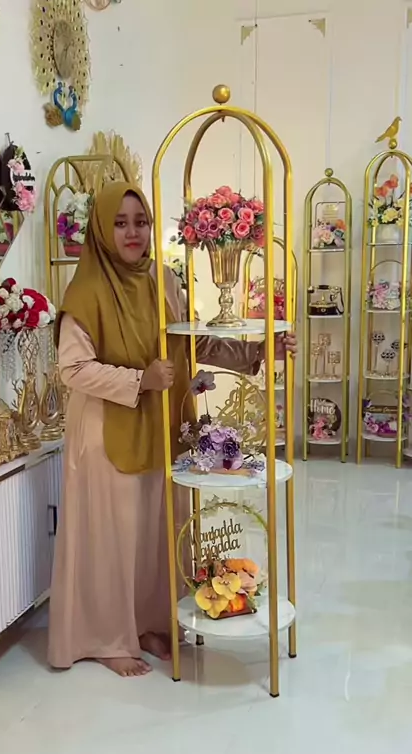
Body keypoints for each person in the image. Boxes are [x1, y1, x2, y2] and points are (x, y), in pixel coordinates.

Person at [48, 182, 296, 677]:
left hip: (160, 424)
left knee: (154, 533)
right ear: (101, 229)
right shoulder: (86, 289)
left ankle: (145, 623)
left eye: (140, 221)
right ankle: (107, 638)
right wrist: (139, 380)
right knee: (112, 537)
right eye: (120, 223)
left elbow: (189, 341)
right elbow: (72, 369)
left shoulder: (162, 279)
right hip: (106, 430)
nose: (132, 232)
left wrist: (255, 352)